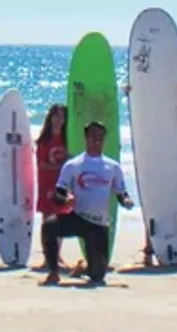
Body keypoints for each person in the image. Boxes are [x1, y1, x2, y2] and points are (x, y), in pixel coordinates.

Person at [41, 119, 132, 286]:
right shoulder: (73, 165)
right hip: (78, 218)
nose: (96, 139)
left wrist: (126, 201)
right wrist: (65, 199)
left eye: (100, 136)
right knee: (49, 226)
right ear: (86, 138)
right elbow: (58, 193)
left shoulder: (113, 167)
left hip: (98, 225)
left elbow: (121, 193)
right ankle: (53, 272)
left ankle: (83, 266)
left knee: (97, 278)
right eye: (93, 136)